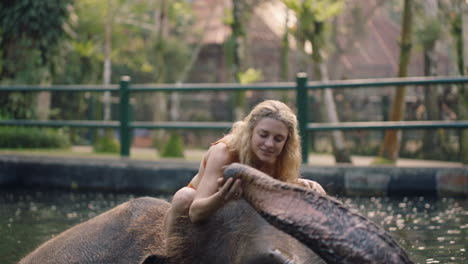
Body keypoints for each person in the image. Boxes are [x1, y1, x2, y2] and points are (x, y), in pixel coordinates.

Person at [164, 100, 325, 236]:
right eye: (263, 134)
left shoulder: (282, 157)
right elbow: (195, 212)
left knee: (314, 191)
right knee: (183, 196)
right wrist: (222, 197)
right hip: (207, 211)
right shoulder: (224, 152)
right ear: (251, 131)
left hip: (243, 221)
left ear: (286, 142)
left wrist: (299, 185)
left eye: (278, 139)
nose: (269, 144)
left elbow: (271, 190)